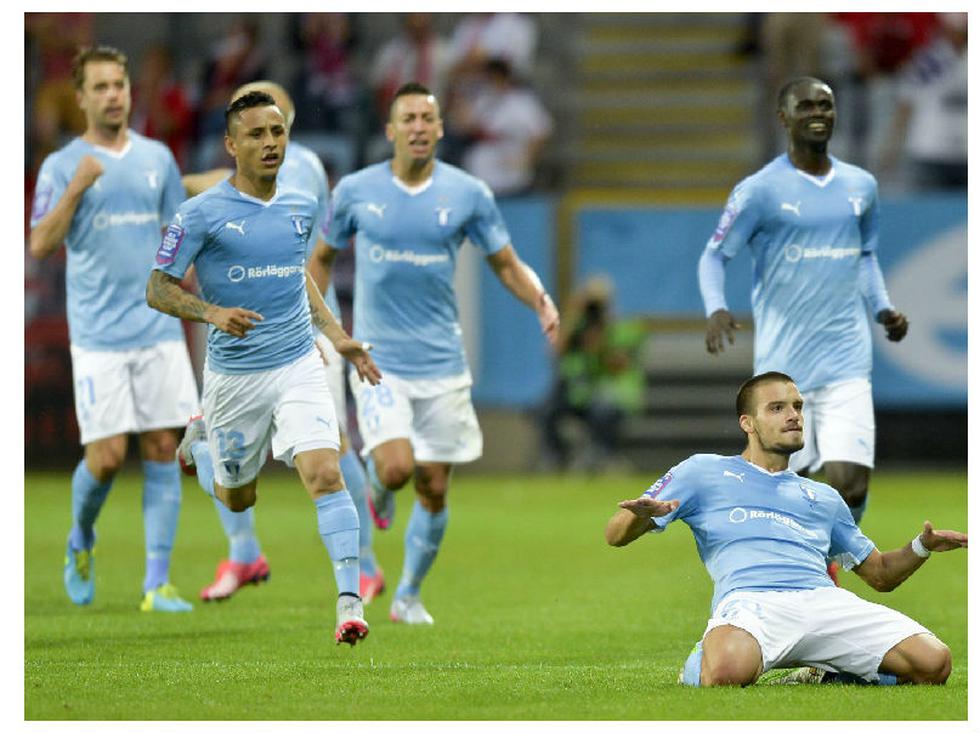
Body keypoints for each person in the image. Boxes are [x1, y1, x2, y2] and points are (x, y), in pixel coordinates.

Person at [314, 82, 559, 624]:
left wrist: (539, 299)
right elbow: (321, 259)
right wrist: (326, 328)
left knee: (435, 484)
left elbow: (505, 263)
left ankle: (407, 595)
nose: (420, 127)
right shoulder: (355, 191)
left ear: (441, 129)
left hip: (443, 364)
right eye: (409, 118)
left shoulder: (469, 193)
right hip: (377, 360)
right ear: (391, 130)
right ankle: (379, 482)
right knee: (399, 468)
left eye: (428, 118)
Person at [145, 90, 381, 645]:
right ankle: (200, 448)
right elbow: (157, 287)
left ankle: (350, 603)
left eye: (276, 133)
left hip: (297, 362)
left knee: (325, 471)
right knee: (237, 496)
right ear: (231, 144)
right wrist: (211, 312)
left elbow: (298, 276)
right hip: (234, 379)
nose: (270, 143)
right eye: (255, 134)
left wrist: (338, 337)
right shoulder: (201, 213)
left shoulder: (300, 205)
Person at [606, 371, 966, 687]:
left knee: (934, 663)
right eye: (777, 408)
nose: (793, 416)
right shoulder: (702, 471)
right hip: (752, 602)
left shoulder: (823, 496)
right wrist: (643, 515)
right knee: (726, 674)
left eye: (797, 406)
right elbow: (615, 534)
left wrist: (921, 546)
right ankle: (698, 665)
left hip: (824, 602)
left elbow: (881, 575)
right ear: (747, 423)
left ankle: (828, 673)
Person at [698, 77, 909, 534]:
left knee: (850, 487)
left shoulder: (861, 185)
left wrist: (882, 308)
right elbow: (715, 256)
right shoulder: (760, 190)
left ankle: (827, 568)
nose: (818, 113)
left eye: (826, 105)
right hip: (783, 369)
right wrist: (716, 307)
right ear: (783, 117)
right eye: (806, 105)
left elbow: (865, 256)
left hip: (846, 362)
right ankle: (795, 574)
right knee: (786, 490)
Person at [29, 46, 198, 613]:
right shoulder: (62, 165)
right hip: (98, 333)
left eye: (119, 84)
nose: (113, 94)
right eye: (100, 86)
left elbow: (180, 239)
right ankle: (81, 537)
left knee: (160, 447)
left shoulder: (157, 159)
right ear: (80, 98)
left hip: (157, 327)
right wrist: (77, 187)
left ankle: (157, 584)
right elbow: (39, 244)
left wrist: (201, 297)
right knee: (104, 459)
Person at [539, 276, 645, 473]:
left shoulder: (622, 328)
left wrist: (600, 342)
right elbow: (554, 351)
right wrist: (573, 314)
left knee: (603, 410)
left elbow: (619, 364)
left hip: (614, 396)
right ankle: (557, 458)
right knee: (549, 409)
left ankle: (605, 458)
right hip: (582, 395)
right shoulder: (578, 330)